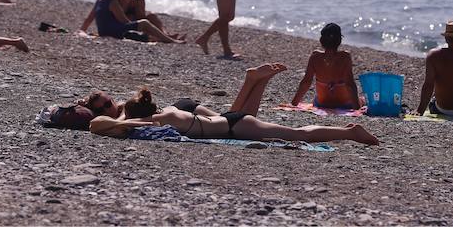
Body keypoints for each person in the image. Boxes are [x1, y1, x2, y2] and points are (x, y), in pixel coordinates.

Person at [89, 63, 379, 145]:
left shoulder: (159, 121)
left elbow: (101, 126)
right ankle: (255, 81)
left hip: (233, 128)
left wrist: (123, 122)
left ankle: (350, 132)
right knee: (295, 133)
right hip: (230, 122)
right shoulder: (167, 111)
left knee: (299, 134)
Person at [79, 0, 185, 43]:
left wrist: (82, 30)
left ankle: (165, 38)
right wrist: (138, 25)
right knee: (144, 23)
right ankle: (172, 40)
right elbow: (124, 21)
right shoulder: (113, 2)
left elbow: (89, 18)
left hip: (104, 31)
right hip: (113, 32)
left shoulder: (100, 0)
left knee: (144, 32)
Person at [290, 23, 361, 109]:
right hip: (344, 104)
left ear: (321, 40)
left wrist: (294, 103)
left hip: (322, 103)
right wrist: (357, 108)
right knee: (362, 100)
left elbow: (306, 82)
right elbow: (350, 84)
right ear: (339, 40)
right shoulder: (345, 57)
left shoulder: (315, 57)